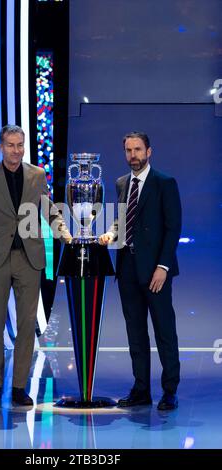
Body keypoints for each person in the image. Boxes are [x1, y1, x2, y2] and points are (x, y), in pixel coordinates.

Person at [0, 125, 72, 406]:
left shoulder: (37, 175)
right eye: (11, 145)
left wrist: (65, 233)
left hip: (29, 259)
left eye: (20, 145)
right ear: (1, 147)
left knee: (27, 325)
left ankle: (19, 388)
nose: (16, 150)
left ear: (24, 146)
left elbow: (50, 210)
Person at [100, 131, 181, 411]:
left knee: (164, 331)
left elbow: (173, 229)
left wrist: (163, 267)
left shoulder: (164, 183)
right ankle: (141, 389)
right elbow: (122, 221)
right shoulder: (121, 183)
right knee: (135, 332)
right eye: (128, 150)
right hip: (127, 270)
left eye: (137, 150)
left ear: (149, 152)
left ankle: (169, 391)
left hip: (155, 271)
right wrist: (110, 234)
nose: (132, 155)